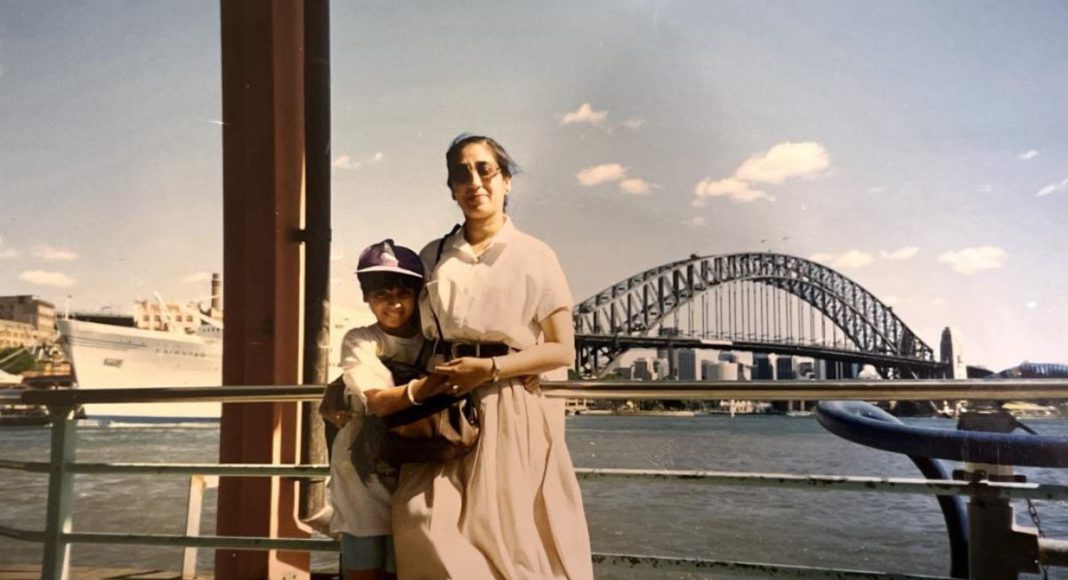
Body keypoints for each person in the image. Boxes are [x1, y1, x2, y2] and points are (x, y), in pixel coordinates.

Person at [392, 134, 594, 579]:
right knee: (420, 522)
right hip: (444, 406)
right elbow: (406, 333)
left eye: (485, 170)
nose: (474, 182)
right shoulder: (433, 256)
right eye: (461, 173)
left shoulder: (536, 255)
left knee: (507, 542)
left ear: (506, 182)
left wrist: (492, 368)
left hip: (507, 406)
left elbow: (562, 347)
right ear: (450, 188)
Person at [324, 239, 453, 580]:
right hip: (361, 474)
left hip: (416, 469)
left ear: (417, 293)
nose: (393, 303)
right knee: (363, 564)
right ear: (366, 297)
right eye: (381, 294)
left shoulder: (437, 339)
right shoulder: (359, 339)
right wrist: (435, 383)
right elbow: (378, 400)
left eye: (403, 292)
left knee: (408, 566)